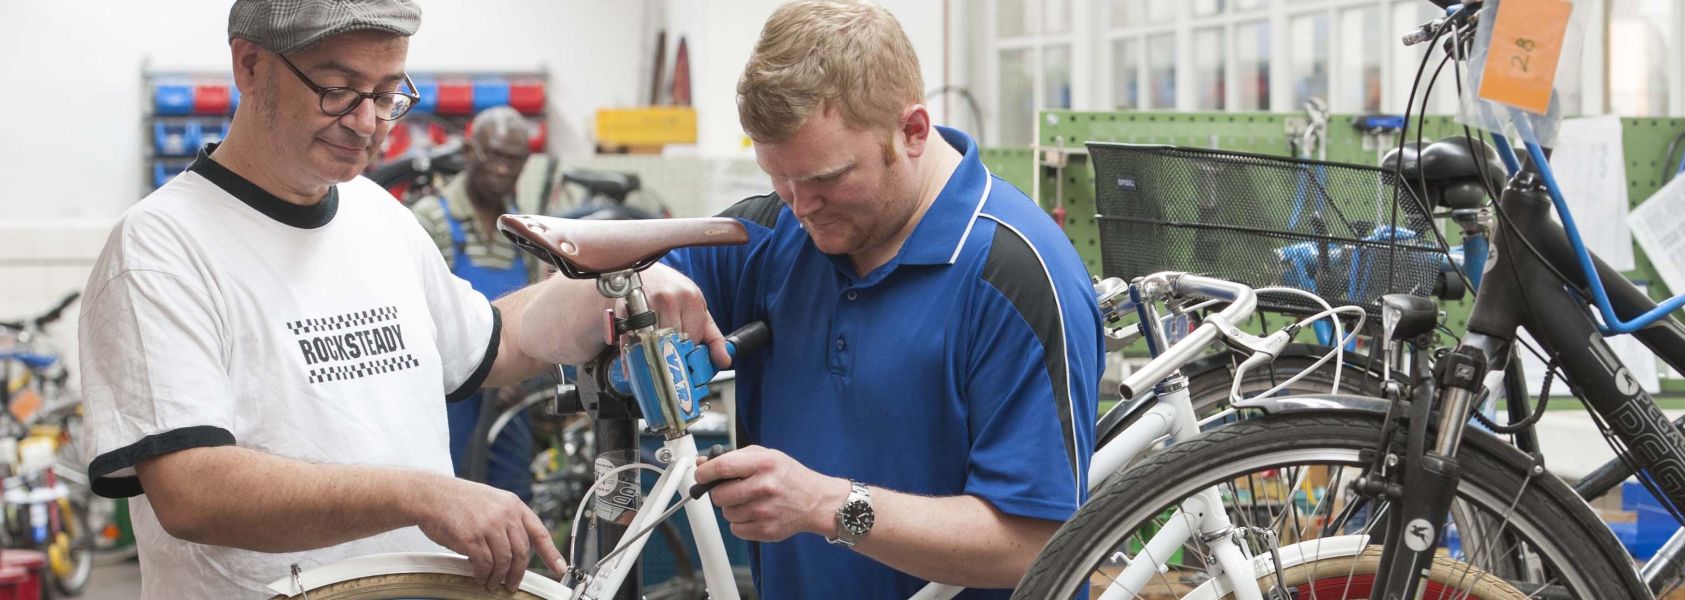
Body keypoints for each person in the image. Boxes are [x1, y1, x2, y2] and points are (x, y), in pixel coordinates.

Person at [522, 1, 1102, 596]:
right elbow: (536, 325)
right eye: (779, 177)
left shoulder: (1016, 275)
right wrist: (612, 285)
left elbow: (1038, 544)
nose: (801, 206)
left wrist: (830, 505)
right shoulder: (772, 238)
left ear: (912, 132)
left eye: (826, 179)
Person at [78, 1, 597, 596]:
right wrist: (420, 494)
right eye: (338, 89)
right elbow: (193, 489)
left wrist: (602, 292)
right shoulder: (160, 248)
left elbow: (493, 340)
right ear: (249, 66)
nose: (368, 122)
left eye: (386, 93)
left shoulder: (376, 213)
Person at [411, 106, 538, 501]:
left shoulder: (523, 230)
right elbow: (419, 322)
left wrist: (518, 373)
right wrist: (482, 372)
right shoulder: (430, 220)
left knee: (515, 511)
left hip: (510, 406)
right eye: (493, 155)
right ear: (469, 151)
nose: (502, 169)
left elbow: (535, 314)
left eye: (513, 160)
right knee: (445, 510)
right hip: (449, 404)